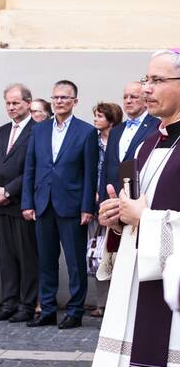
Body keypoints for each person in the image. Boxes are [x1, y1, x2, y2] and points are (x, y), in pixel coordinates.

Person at [93, 49, 180, 367]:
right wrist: (119, 216)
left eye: (156, 80)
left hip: (173, 306)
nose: (147, 89)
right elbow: (141, 210)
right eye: (145, 80)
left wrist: (142, 214)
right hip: (143, 298)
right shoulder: (152, 141)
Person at [22, 80, 99, 329]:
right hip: (43, 203)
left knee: (75, 262)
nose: (59, 102)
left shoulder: (86, 132)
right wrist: (27, 202)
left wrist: (88, 207)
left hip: (72, 205)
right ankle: (47, 309)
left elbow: (90, 173)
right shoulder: (40, 130)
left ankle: (75, 311)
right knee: (46, 260)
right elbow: (30, 168)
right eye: (55, 98)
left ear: (75, 101)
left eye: (65, 98)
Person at [0, 84, 38, 322]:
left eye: (16, 103)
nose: (12, 107)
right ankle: (9, 302)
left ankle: (26, 304)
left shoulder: (39, 131)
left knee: (26, 256)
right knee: (5, 257)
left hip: (20, 204)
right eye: (8, 103)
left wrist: (8, 191)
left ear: (28, 103)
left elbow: (32, 169)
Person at [88, 102, 122, 316]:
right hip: (95, 202)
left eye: (100, 116)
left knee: (115, 252)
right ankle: (102, 302)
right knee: (99, 254)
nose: (95, 120)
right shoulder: (92, 140)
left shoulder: (119, 139)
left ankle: (117, 301)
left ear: (111, 119)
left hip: (116, 199)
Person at [100, 82, 155, 204]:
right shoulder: (116, 131)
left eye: (133, 97)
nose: (128, 101)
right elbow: (106, 167)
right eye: (125, 97)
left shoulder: (156, 127)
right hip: (113, 199)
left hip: (141, 200)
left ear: (146, 101)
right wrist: (102, 202)